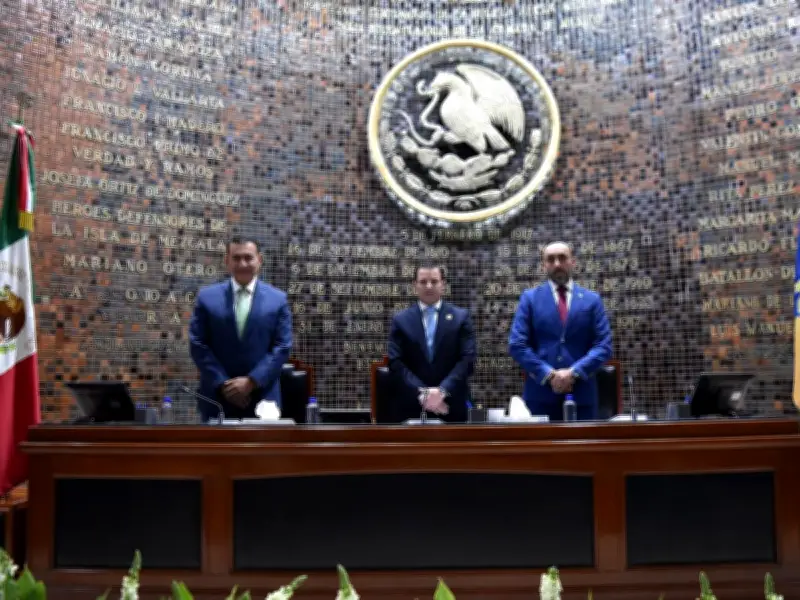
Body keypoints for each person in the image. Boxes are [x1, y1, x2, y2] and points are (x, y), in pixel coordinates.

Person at [189, 238, 293, 421]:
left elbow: (282, 346)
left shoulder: (278, 300)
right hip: (217, 399)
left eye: (248, 258)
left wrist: (251, 381)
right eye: (236, 258)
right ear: (226, 261)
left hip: (263, 399)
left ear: (259, 260)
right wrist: (224, 384)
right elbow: (198, 344)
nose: (242, 264)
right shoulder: (207, 298)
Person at [508, 241, 612, 421]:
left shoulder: (592, 300)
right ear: (544, 265)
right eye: (551, 259)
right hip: (540, 397)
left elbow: (603, 346)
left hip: (582, 397)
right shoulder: (530, 299)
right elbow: (517, 345)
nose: (557, 264)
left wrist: (574, 373)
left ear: (573, 262)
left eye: (562, 258)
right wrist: (548, 374)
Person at [388, 265, 477, 423]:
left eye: (434, 281)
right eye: (423, 282)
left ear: (443, 284)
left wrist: (442, 391)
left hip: (451, 407)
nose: (429, 286)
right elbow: (395, 362)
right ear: (415, 285)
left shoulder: (461, 318)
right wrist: (423, 393)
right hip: (412, 407)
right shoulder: (401, 320)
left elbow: (467, 360)